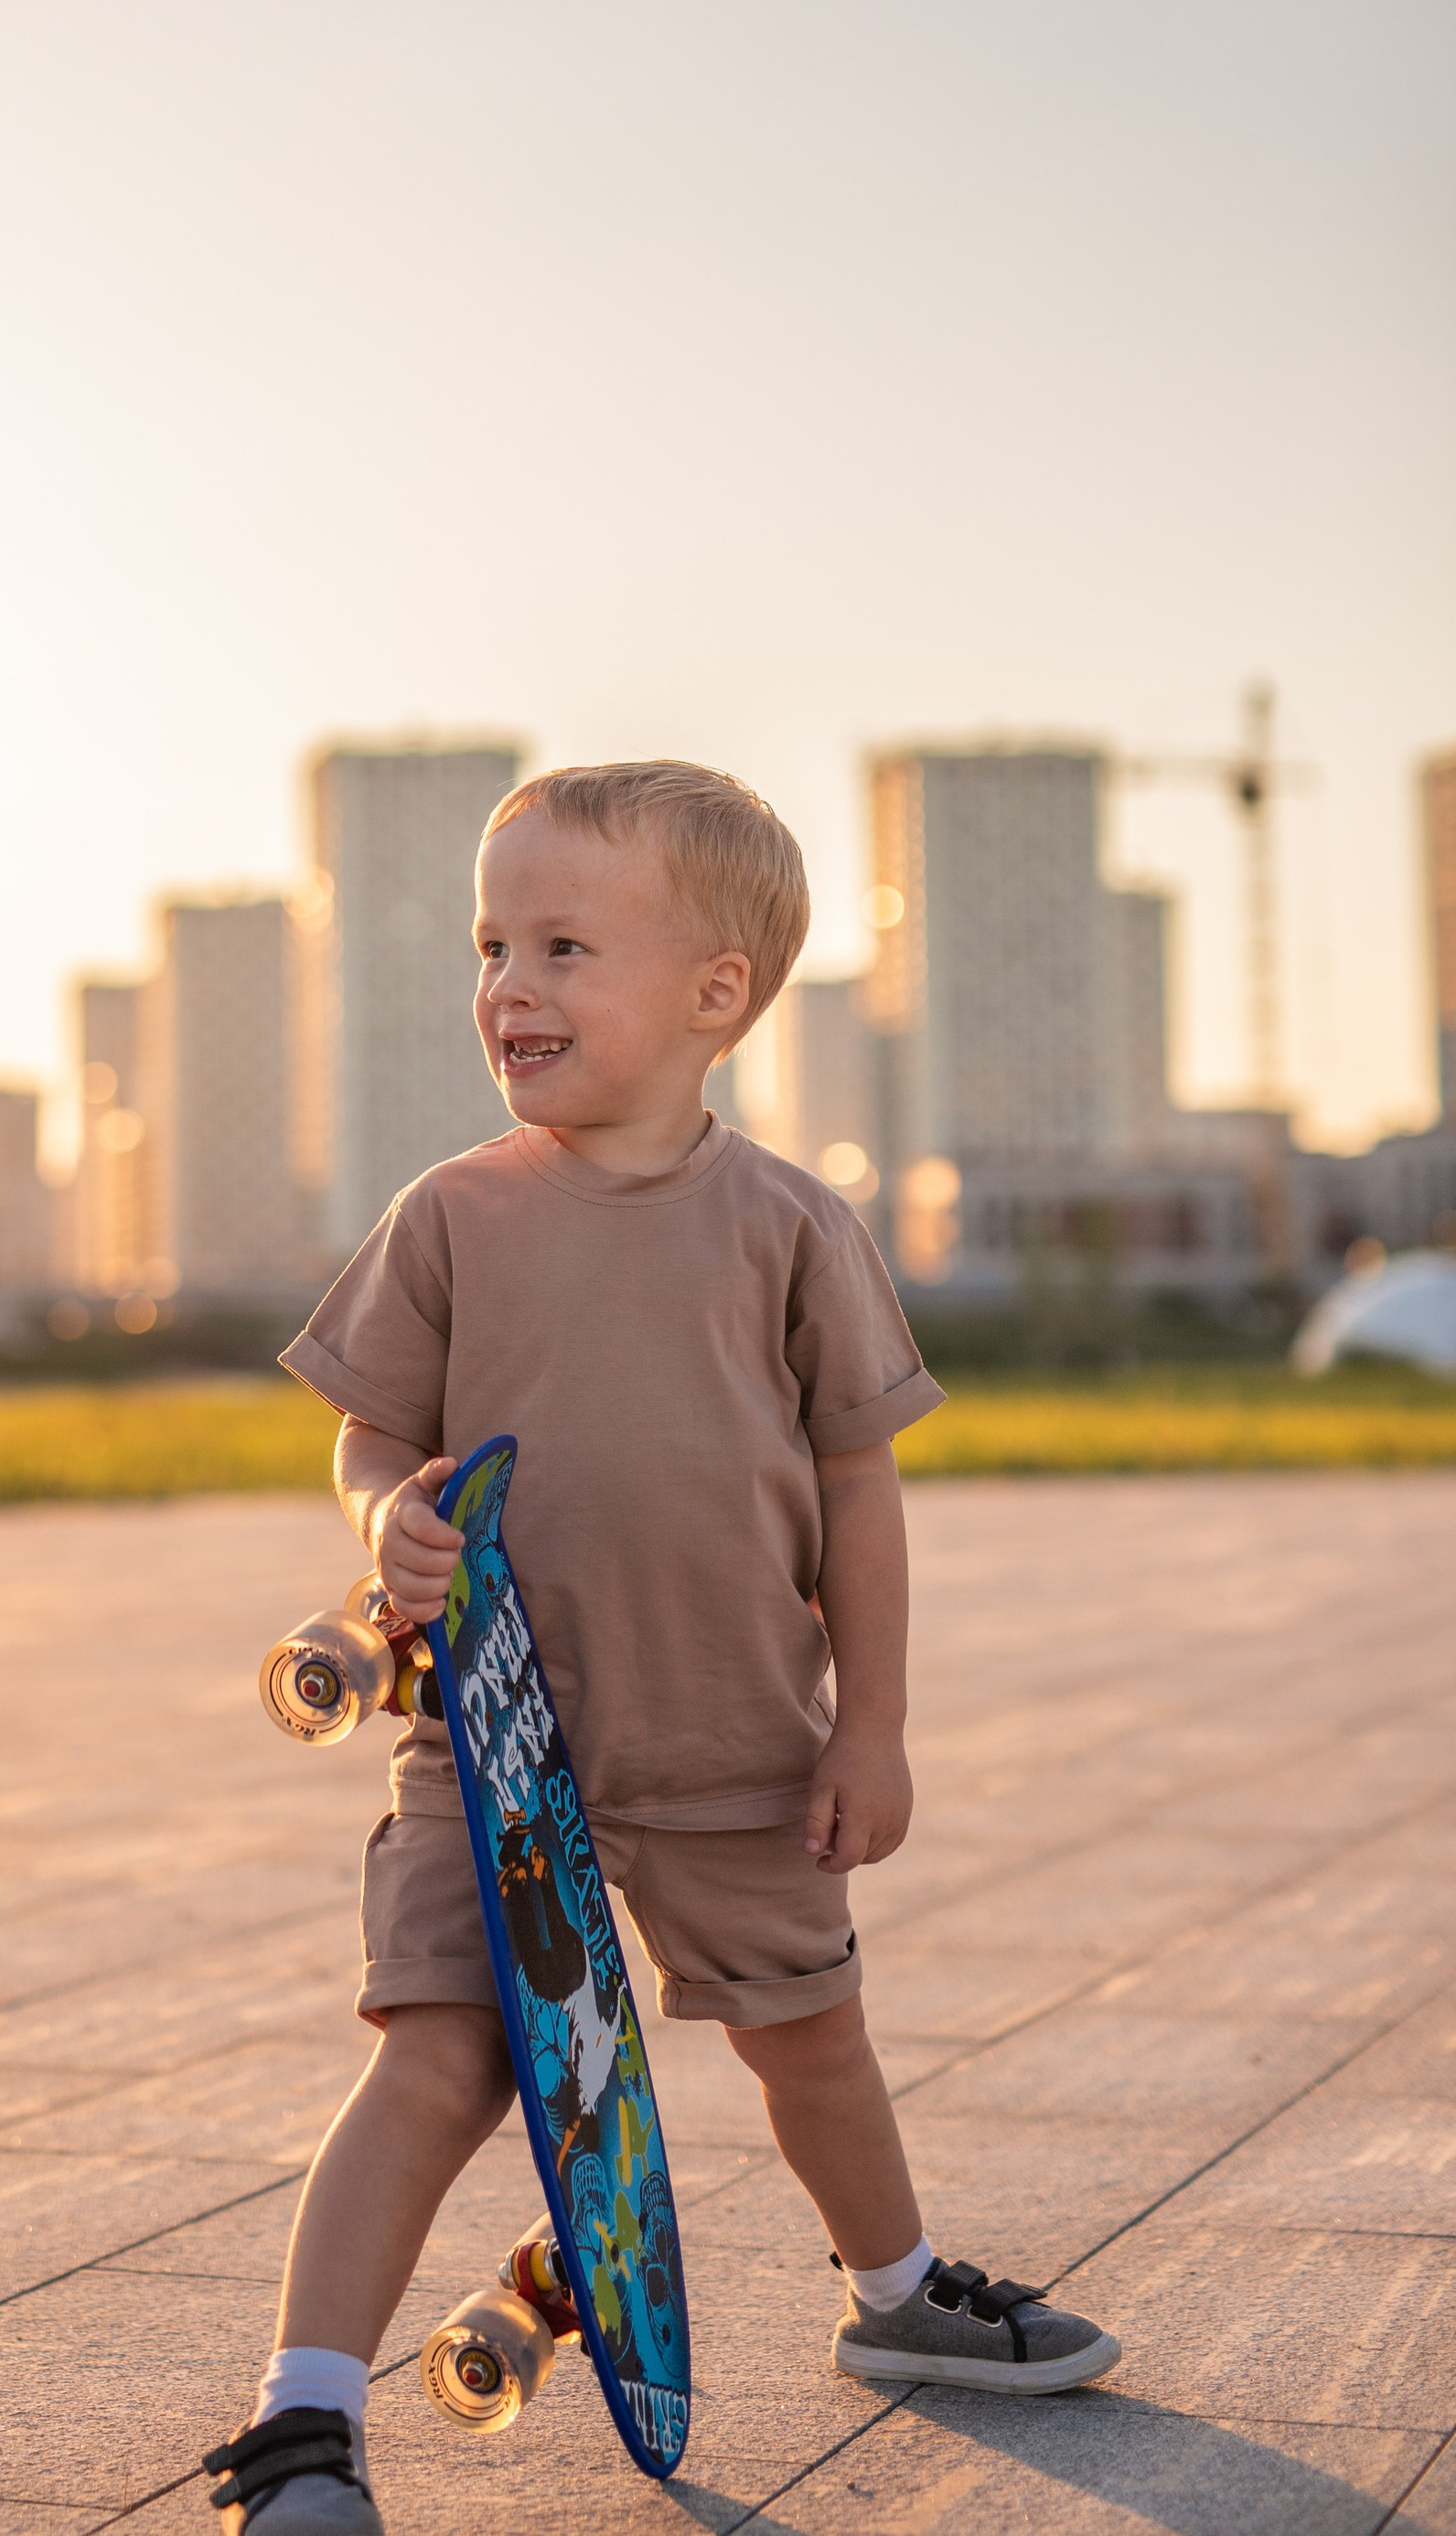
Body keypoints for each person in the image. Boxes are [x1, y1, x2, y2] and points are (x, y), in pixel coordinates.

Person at [202, 761, 1120, 2533]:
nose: (506, 988)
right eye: (489, 947)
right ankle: (300, 2421)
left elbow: (855, 1490)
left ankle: (897, 2295)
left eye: (561, 946)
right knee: (435, 2060)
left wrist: (874, 1728)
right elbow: (365, 1436)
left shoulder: (789, 1224)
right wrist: (377, 1515)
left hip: (734, 1743)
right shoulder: (450, 1215)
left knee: (810, 2040)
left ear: (714, 995)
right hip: (481, 1749)